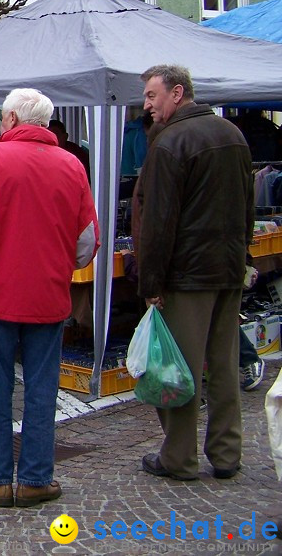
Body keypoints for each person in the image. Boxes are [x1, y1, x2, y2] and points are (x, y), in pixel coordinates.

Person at [0, 88, 99, 509]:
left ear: (12, 119)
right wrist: (58, 262)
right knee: (41, 387)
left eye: (2, 118)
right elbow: (87, 240)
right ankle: (36, 477)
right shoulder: (72, 164)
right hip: (49, 294)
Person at [136, 64, 253, 481]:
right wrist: (243, 259)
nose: (147, 105)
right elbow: (247, 205)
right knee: (223, 366)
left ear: (177, 93)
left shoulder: (171, 143)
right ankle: (226, 454)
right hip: (226, 268)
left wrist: (151, 283)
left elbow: (159, 221)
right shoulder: (232, 135)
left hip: (187, 276)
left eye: (152, 95)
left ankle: (179, 458)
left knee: (178, 369)